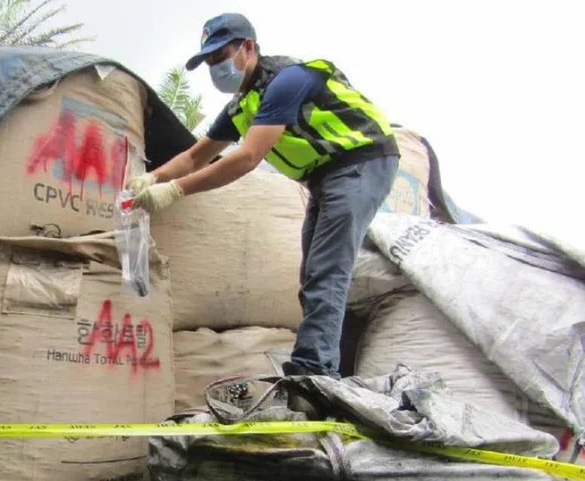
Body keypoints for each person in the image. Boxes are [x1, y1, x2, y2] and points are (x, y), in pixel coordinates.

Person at [128, 13, 399, 379]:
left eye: (220, 55)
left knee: (326, 270)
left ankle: (313, 372)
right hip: (325, 176)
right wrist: (152, 177)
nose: (215, 67)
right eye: (209, 61)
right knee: (312, 275)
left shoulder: (287, 81)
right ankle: (322, 364)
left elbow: (247, 158)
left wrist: (175, 190)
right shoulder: (243, 105)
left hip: (362, 160)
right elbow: (195, 155)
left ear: (248, 47)